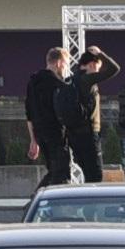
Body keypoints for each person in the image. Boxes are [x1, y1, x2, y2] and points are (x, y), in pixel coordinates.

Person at [58, 47, 119, 185]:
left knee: (86, 172)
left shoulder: (70, 81)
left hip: (73, 134)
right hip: (89, 134)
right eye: (98, 67)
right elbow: (114, 69)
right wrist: (100, 53)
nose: (98, 72)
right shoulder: (87, 79)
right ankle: (92, 205)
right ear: (92, 64)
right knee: (95, 176)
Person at [25, 48, 75, 187]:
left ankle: (38, 199)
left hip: (40, 134)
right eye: (65, 64)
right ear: (59, 63)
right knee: (62, 172)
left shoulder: (33, 82)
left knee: (53, 170)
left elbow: (29, 113)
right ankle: (40, 199)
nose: (65, 68)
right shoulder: (57, 84)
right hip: (55, 133)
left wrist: (33, 140)